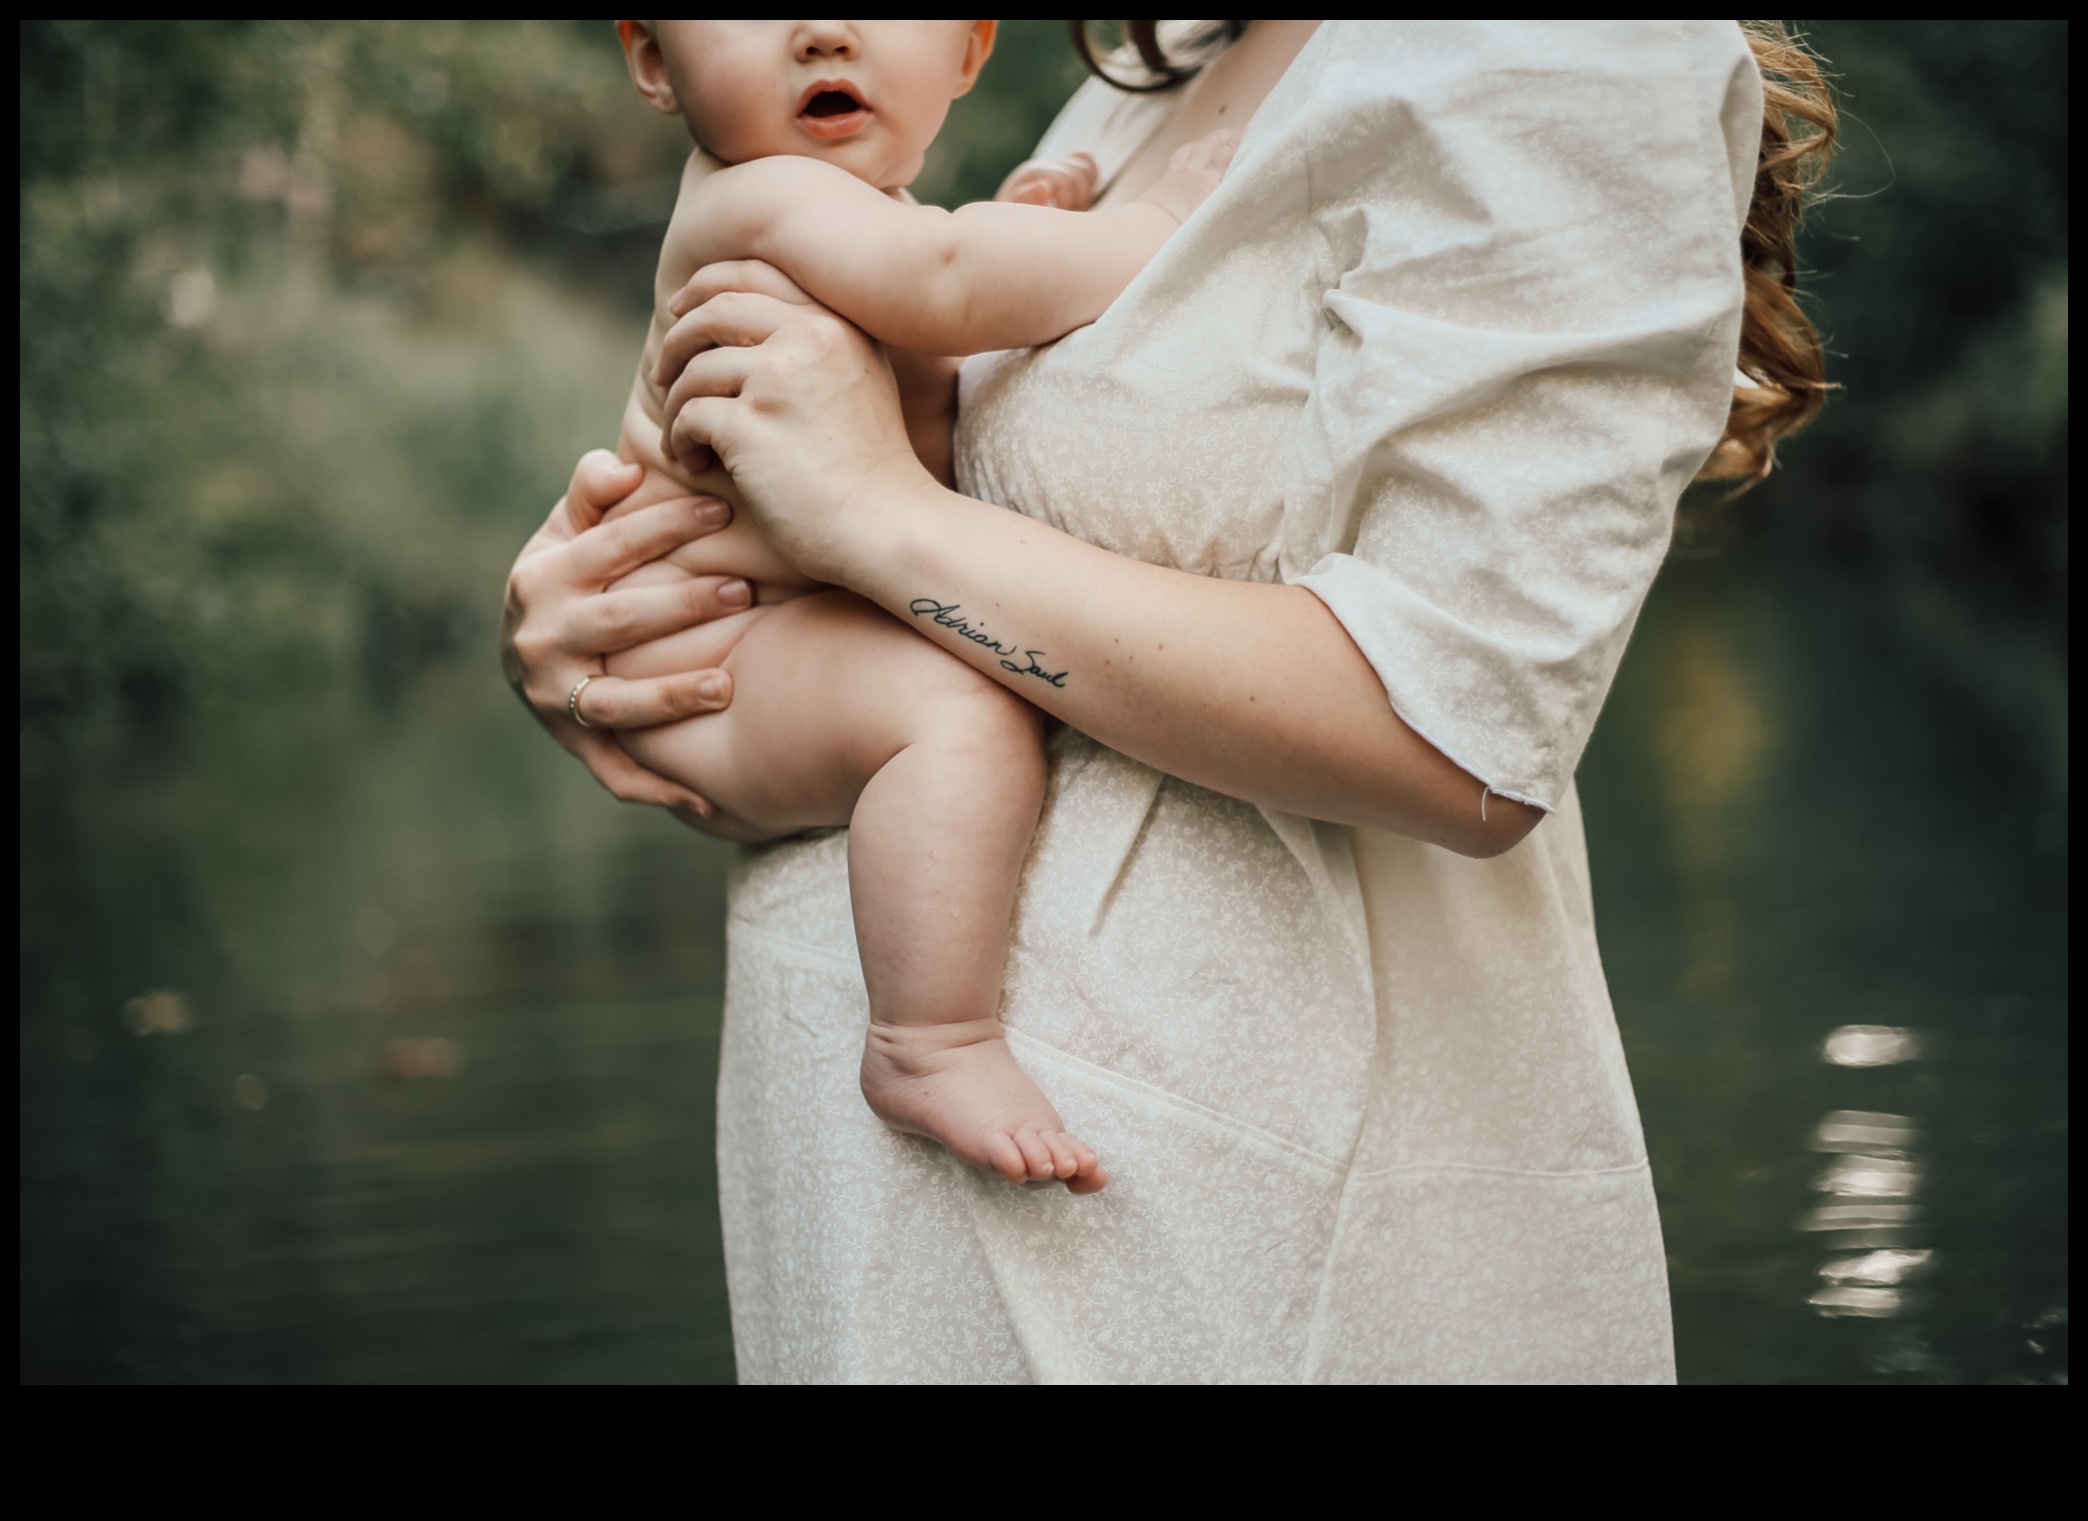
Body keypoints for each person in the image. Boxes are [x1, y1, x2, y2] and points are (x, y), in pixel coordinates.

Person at [502, 20, 1835, 1382]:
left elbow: (1462, 743)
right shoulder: (1160, 67)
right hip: (883, 1224)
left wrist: (876, 519)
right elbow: (948, 589)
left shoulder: (1556, 48)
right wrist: (615, 637)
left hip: (1222, 1237)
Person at [576, 19, 1239, 1190]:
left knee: (961, 688)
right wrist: (1158, 232)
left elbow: (942, 303)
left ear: (972, 52)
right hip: (718, 649)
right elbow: (948, 284)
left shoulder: (856, 220)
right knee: (959, 711)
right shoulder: (753, 199)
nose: (823, 28)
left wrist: (1030, 232)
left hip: (780, 637)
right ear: (650, 62)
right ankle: (928, 1040)